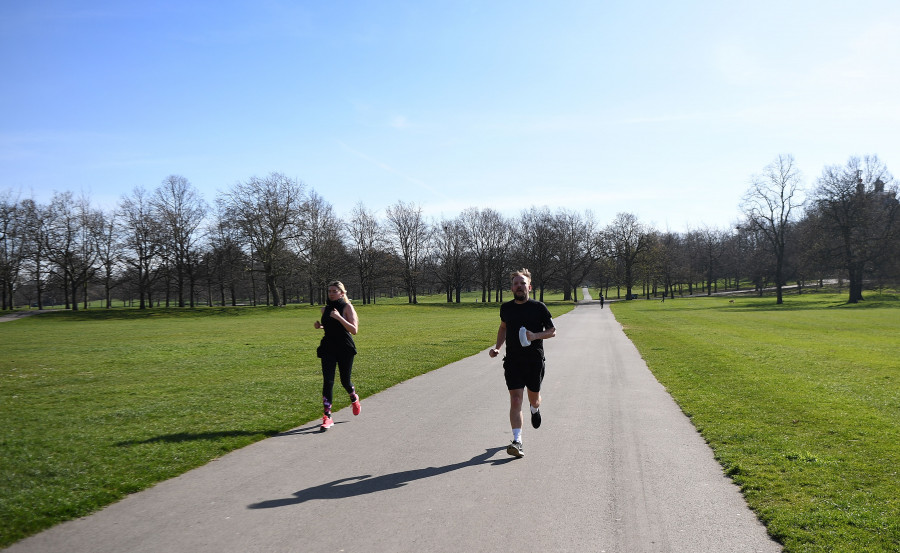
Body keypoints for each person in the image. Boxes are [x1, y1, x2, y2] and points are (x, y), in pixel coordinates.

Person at [488, 269, 556, 457]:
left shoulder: (539, 307)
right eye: (516, 283)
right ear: (512, 288)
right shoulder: (506, 308)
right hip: (513, 361)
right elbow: (503, 327)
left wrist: (535, 336)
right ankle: (517, 441)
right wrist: (498, 348)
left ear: (529, 287)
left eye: (522, 283)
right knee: (516, 399)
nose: (519, 286)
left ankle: (535, 409)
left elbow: (552, 331)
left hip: (534, 361)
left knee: (533, 398)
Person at [313, 281, 361, 431]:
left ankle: (353, 397)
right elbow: (330, 327)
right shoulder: (325, 309)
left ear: (342, 293)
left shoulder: (347, 307)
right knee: (328, 381)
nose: (331, 293)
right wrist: (320, 326)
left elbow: (354, 330)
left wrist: (339, 317)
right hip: (328, 347)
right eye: (329, 291)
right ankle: (327, 416)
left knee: (345, 381)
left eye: (334, 291)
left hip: (344, 348)